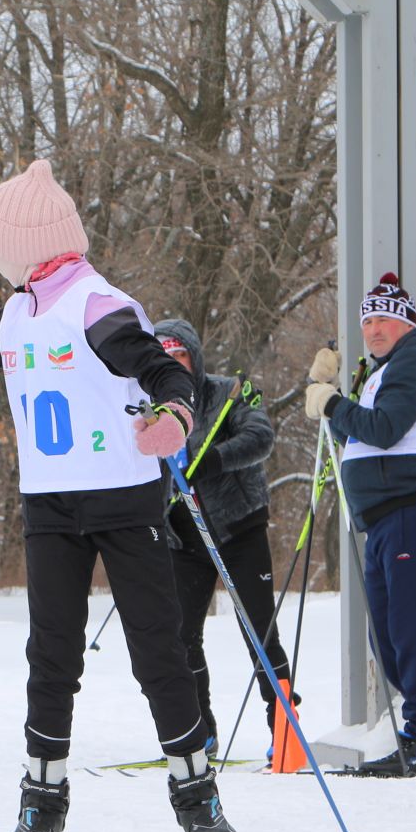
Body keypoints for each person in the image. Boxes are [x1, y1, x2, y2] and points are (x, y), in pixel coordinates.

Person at [0, 159, 236, 832]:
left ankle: (196, 794)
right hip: (50, 504)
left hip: (122, 497)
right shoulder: (20, 308)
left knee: (157, 648)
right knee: (51, 654)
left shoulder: (94, 305)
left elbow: (167, 371)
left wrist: (174, 413)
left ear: (23, 244)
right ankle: (42, 798)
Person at [304, 272, 416, 776]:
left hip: (412, 510)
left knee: (410, 629)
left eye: (385, 319)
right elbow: (365, 427)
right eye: (368, 320)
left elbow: (383, 430)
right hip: (386, 518)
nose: (375, 329)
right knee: (392, 637)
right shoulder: (387, 369)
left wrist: (333, 402)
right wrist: (335, 391)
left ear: (408, 322)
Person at [153, 318, 294, 754]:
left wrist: (212, 460)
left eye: (179, 355)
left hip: (236, 526)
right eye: (163, 357)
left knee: (259, 630)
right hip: (184, 534)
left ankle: (284, 729)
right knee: (180, 636)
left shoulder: (228, 391)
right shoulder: (150, 406)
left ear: (193, 358)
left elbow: (260, 437)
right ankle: (201, 729)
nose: (172, 364)